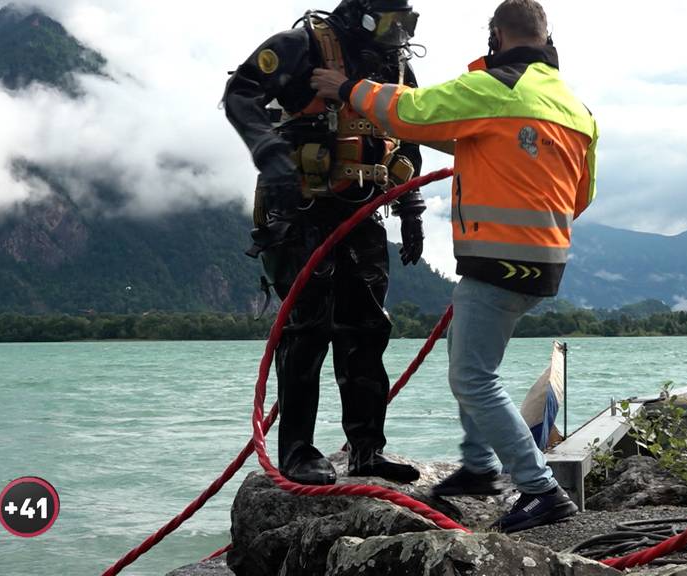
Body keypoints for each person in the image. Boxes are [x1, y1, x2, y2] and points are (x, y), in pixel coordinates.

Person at [312, 0, 598, 531]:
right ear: (545, 34)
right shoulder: (575, 109)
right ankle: (479, 468)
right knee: (469, 356)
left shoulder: (495, 87)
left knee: (473, 376)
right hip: (548, 260)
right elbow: (582, 195)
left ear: (496, 34)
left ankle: (540, 489)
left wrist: (346, 88)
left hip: (498, 260)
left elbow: (411, 112)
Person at [223, 0, 427, 486]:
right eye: (389, 21)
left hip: (362, 211)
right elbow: (240, 94)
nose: (398, 32)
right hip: (299, 210)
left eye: (407, 22)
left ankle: (367, 450)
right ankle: (296, 450)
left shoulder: (395, 65)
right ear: (359, 12)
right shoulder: (301, 47)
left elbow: (409, 133)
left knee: (368, 330)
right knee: (308, 330)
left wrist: (411, 210)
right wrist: (269, 153)